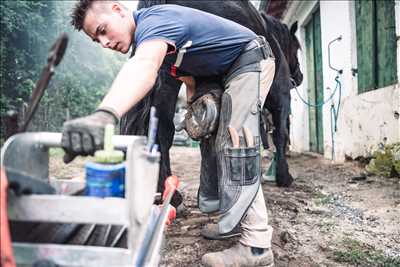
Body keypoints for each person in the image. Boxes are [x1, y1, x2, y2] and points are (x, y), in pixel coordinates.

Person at [64, 1, 276, 266]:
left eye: (103, 30)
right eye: (97, 40)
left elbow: (143, 67)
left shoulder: (155, 22)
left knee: (237, 144)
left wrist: (105, 114)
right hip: (226, 71)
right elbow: (189, 74)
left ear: (118, 10)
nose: (105, 42)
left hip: (250, 60)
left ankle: (257, 247)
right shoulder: (158, 37)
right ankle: (235, 222)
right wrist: (195, 109)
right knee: (216, 141)